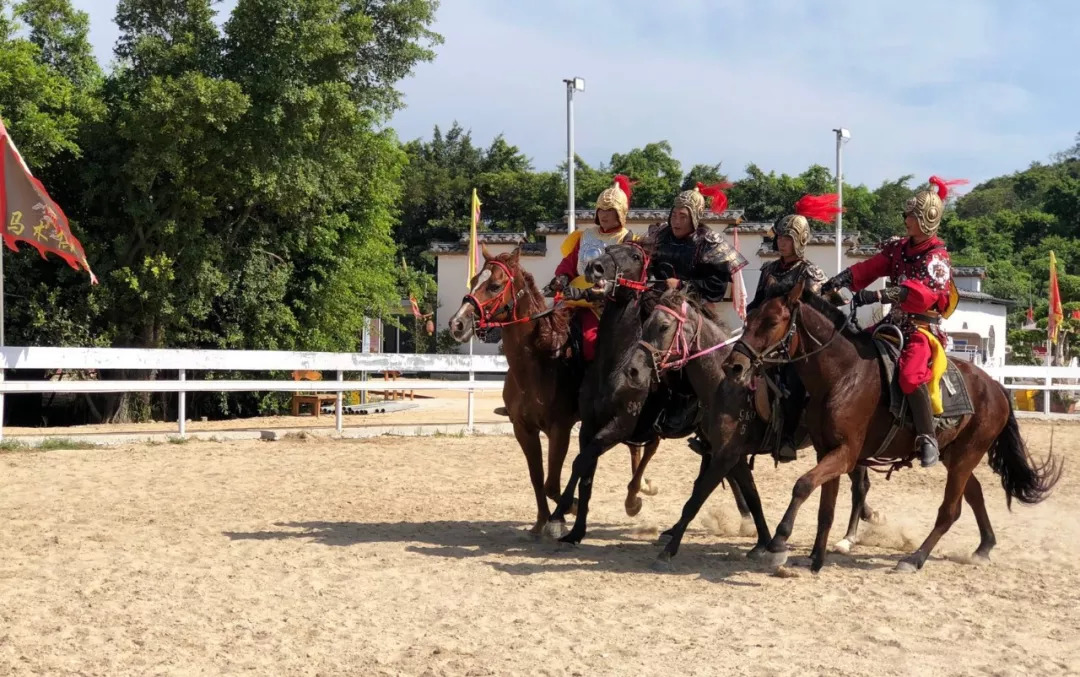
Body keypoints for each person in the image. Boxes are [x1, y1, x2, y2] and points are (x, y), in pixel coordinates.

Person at [823, 176, 965, 468]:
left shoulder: (938, 258)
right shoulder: (899, 248)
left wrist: (875, 295)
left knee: (911, 375)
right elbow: (871, 266)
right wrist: (841, 280)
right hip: (892, 324)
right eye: (907, 215)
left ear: (927, 219)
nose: (906, 220)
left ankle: (927, 437)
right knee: (853, 349)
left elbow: (921, 294)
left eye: (911, 216)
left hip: (922, 329)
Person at [647, 183, 748, 440]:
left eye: (683, 216)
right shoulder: (659, 237)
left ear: (694, 218)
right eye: (674, 214)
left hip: (694, 309)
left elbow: (715, 287)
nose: (676, 220)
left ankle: (688, 402)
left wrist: (681, 285)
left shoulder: (709, 242)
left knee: (685, 352)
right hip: (658, 302)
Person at [746, 194, 841, 462]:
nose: (781, 243)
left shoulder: (810, 272)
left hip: (794, 345)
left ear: (799, 241)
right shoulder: (767, 269)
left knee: (793, 382)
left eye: (787, 238)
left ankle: (788, 436)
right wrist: (751, 316)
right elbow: (758, 301)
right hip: (765, 335)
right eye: (780, 237)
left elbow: (825, 310)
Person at [545, 174, 636, 363]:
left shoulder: (627, 240)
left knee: (590, 342)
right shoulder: (585, 235)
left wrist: (593, 293)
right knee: (546, 331)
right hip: (571, 297)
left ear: (620, 213)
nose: (603, 214)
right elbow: (569, 263)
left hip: (601, 303)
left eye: (610, 209)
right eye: (601, 209)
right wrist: (561, 278)